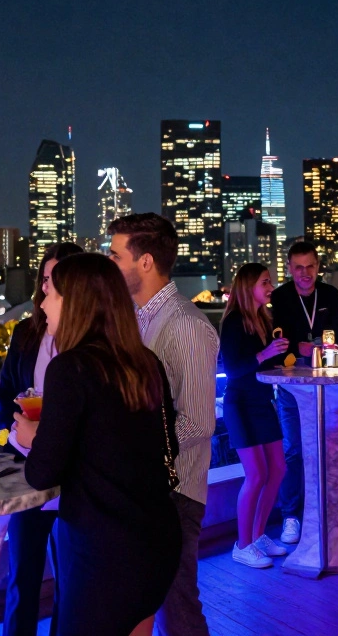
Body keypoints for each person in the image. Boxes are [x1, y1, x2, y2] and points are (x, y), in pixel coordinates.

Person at [18, 253, 182, 636]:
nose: (42, 304)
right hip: (156, 537)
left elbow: (42, 473)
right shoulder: (145, 361)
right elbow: (166, 447)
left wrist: (31, 437)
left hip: (103, 551)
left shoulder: (70, 368)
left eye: (52, 294)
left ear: (76, 303)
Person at [106, 213, 218, 636]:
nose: (109, 263)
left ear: (146, 261)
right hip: (148, 489)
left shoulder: (187, 326)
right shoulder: (137, 320)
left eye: (116, 256)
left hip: (175, 493)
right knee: (151, 604)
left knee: (178, 606)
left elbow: (198, 422)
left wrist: (137, 453)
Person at [0, 241, 82, 636]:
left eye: (58, 281)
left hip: (76, 475)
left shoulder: (89, 345)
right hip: (27, 468)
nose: (48, 289)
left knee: (72, 580)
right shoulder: (25, 333)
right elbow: (2, 396)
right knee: (23, 576)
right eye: (45, 280)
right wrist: (19, 430)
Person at [269, 241, 338, 544]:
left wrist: (331, 346)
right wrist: (297, 347)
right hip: (292, 386)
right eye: (299, 267)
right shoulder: (279, 297)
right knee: (293, 451)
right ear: (289, 268)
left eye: (311, 266)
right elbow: (272, 339)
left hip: (327, 383)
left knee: (328, 448)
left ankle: (328, 511)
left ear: (318, 266)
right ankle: (291, 515)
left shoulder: (329, 294)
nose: (305, 273)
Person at [220, 263, 290, 567]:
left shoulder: (262, 317)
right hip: (241, 403)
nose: (271, 286)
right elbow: (233, 369)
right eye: (265, 282)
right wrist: (265, 353)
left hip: (262, 400)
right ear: (249, 286)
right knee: (257, 474)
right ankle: (242, 544)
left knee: (277, 470)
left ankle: (258, 536)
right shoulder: (234, 321)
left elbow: (261, 365)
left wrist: (280, 359)